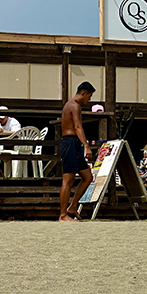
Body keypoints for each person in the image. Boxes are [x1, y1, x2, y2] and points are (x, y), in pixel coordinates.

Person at [59, 81, 96, 222]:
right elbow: (78, 127)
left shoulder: (70, 105)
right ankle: (63, 215)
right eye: (89, 96)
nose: (89, 100)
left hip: (73, 143)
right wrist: (86, 146)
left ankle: (72, 207)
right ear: (83, 93)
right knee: (68, 180)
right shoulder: (74, 106)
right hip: (70, 142)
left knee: (88, 177)